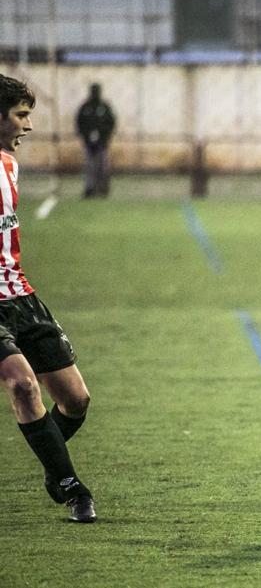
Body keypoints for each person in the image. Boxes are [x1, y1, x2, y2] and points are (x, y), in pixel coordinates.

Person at [0, 74, 96, 522]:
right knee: (22, 383)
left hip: (20, 295)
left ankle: (51, 465)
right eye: (21, 115)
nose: (29, 126)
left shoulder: (8, 164)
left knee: (76, 400)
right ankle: (71, 486)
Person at [75, 82, 116, 198]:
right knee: (89, 166)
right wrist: (85, 137)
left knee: (103, 166)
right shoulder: (85, 107)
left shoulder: (104, 107)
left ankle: (103, 189)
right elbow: (79, 123)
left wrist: (105, 137)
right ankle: (90, 189)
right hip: (88, 143)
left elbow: (111, 123)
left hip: (102, 143)